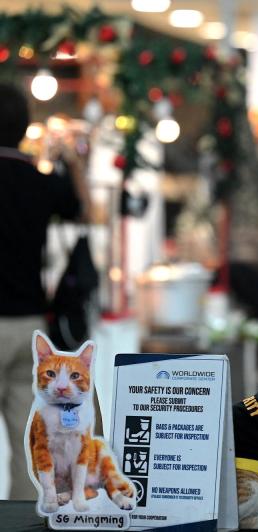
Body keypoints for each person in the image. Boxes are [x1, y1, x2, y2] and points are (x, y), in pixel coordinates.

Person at [0, 82, 89, 499]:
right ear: (23, 128)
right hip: (30, 328)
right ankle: (23, 518)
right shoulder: (37, 183)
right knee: (29, 439)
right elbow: (82, 209)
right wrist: (72, 160)